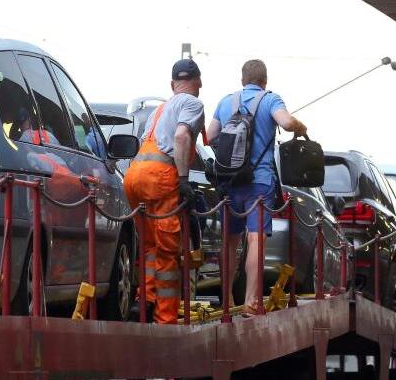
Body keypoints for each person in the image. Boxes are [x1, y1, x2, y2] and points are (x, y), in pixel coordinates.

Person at [207, 59, 307, 313]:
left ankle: (227, 300)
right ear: (265, 81)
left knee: (229, 242)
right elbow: (285, 123)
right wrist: (300, 126)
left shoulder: (226, 101)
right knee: (256, 239)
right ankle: (252, 300)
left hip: (229, 182)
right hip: (258, 182)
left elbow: (210, 137)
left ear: (242, 80)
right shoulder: (271, 100)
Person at [123, 59, 205, 324]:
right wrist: (183, 180)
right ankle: (165, 320)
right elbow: (182, 137)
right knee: (168, 253)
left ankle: (144, 303)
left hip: (134, 177)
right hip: (160, 179)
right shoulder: (192, 103)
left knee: (148, 246)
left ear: (173, 84)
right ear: (199, 82)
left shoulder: (160, 109)